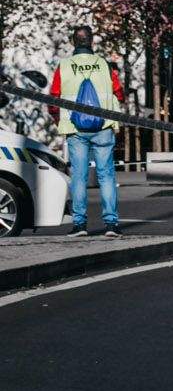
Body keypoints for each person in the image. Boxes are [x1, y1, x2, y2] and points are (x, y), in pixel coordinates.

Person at [49, 25, 124, 236]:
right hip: (103, 127)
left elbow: (53, 99)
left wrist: (60, 120)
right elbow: (119, 93)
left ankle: (80, 224)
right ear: (91, 42)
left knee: (79, 177)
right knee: (107, 175)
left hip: (75, 129)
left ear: (74, 42)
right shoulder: (104, 65)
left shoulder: (63, 66)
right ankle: (111, 224)